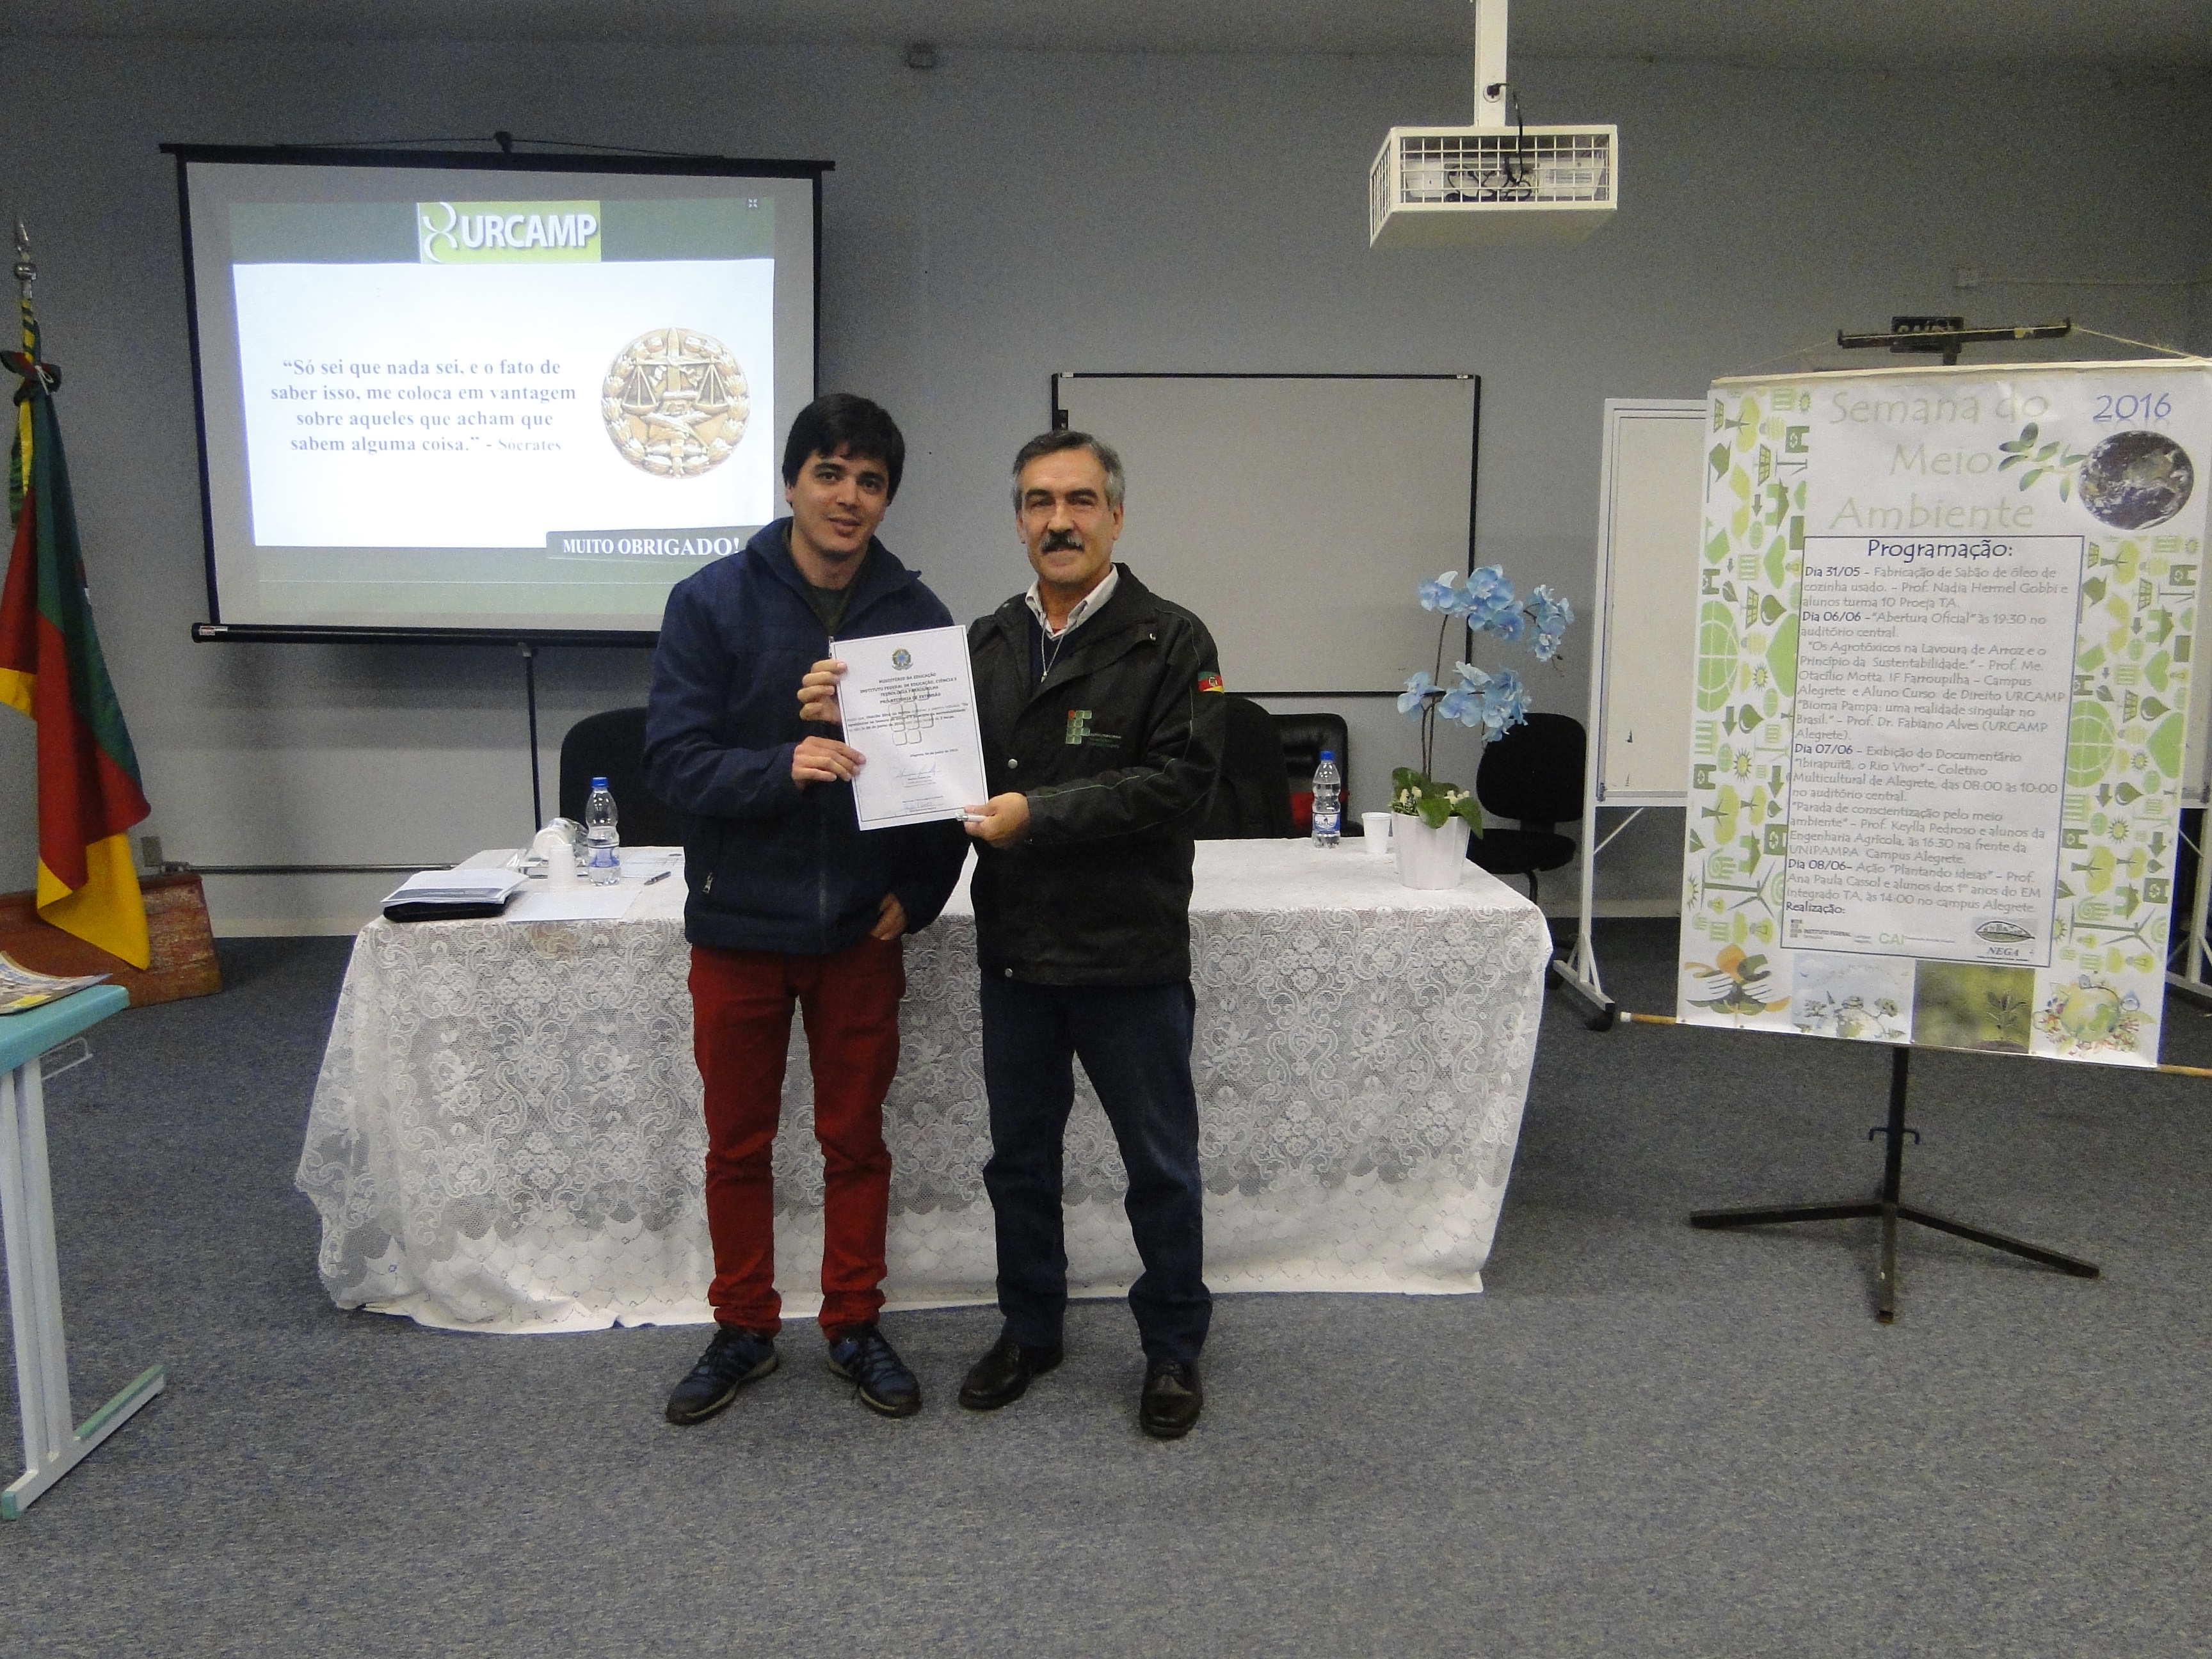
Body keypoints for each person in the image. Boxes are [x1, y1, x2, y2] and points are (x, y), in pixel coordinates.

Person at [644, 394, 968, 1425]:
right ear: (791, 482)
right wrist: (782, 765)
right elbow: (673, 764)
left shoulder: (919, 616)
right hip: (738, 924)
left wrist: (919, 893)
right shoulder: (709, 603)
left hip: (857, 931)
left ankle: (854, 1323)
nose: (849, 498)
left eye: (870, 481)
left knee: (855, 1142)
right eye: (830, 474)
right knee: (737, 1147)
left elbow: (948, 778)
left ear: (887, 498)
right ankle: (743, 1325)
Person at [955, 430, 1227, 1438]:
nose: (1058, 521)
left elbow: (1178, 784)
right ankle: (1030, 1330)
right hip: (1017, 952)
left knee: (1159, 1167)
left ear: (1116, 515)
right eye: (1038, 502)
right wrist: (852, 718)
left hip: (1129, 954)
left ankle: (1173, 1347)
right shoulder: (985, 644)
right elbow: (939, 777)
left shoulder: (1175, 641)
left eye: (1078, 501)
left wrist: (1038, 814)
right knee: (1019, 1162)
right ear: (1018, 520)